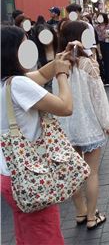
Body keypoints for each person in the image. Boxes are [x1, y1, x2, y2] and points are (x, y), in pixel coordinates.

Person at [1, 26, 73, 244]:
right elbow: (65, 107)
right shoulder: (18, 85)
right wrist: (62, 74)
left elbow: (41, 75)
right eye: (25, 44)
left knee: (27, 232)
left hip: (10, 173)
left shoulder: (6, 82)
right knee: (45, 235)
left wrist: (57, 62)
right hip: (30, 174)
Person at [54, 20, 109, 230]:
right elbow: (98, 96)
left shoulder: (58, 63)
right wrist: (107, 122)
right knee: (92, 172)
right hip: (88, 124)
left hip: (65, 126)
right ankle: (91, 216)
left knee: (73, 172)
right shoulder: (88, 63)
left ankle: (80, 212)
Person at [95, 13, 109, 86]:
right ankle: (102, 78)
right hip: (98, 45)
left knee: (108, 63)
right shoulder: (95, 27)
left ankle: (108, 81)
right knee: (99, 63)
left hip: (107, 44)